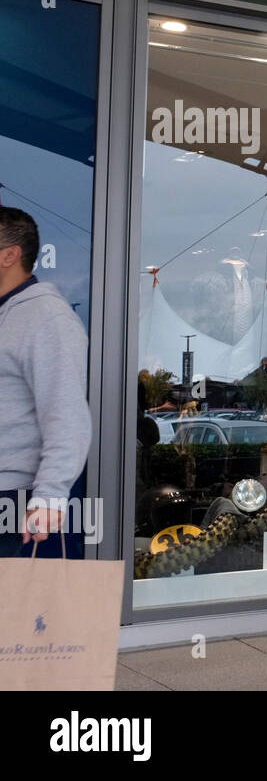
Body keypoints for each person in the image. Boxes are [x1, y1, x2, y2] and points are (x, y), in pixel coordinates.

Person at [0, 207, 92, 556]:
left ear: (10, 255)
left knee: (16, 609)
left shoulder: (46, 318)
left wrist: (49, 498)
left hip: (14, 503)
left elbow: (66, 415)